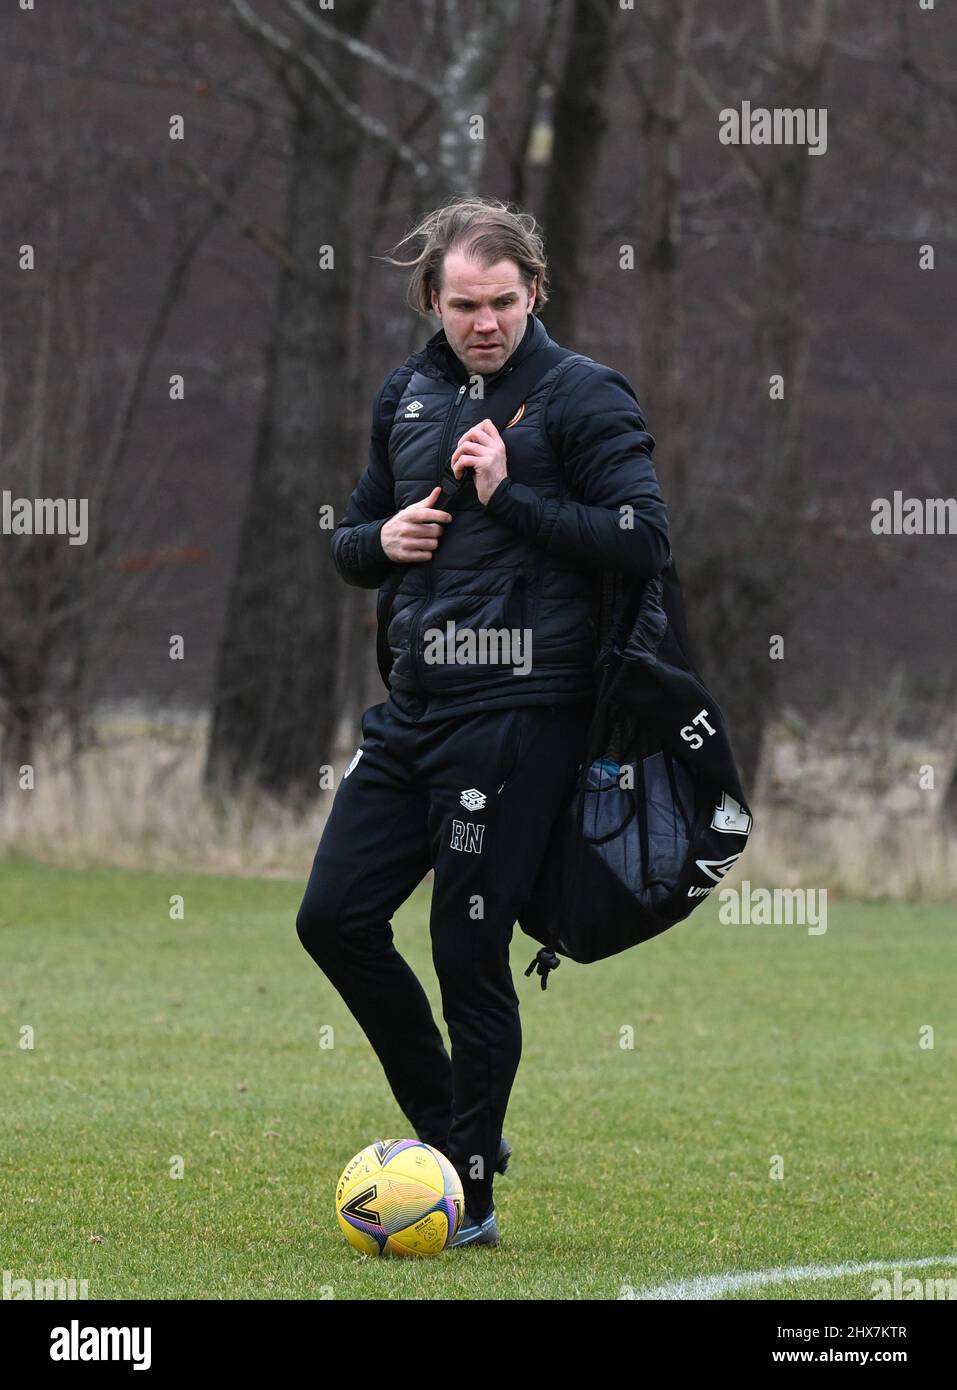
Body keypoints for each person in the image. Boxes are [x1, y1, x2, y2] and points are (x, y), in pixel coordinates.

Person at [296, 196, 670, 1248]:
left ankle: (469, 1199)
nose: (485, 321)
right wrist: (386, 539)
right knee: (331, 919)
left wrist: (509, 499)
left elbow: (643, 540)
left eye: (504, 301)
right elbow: (350, 538)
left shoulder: (582, 398)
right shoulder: (408, 393)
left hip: (520, 711)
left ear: (535, 293)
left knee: (467, 946)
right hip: (412, 711)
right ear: (434, 299)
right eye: (465, 304)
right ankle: (458, 1132)